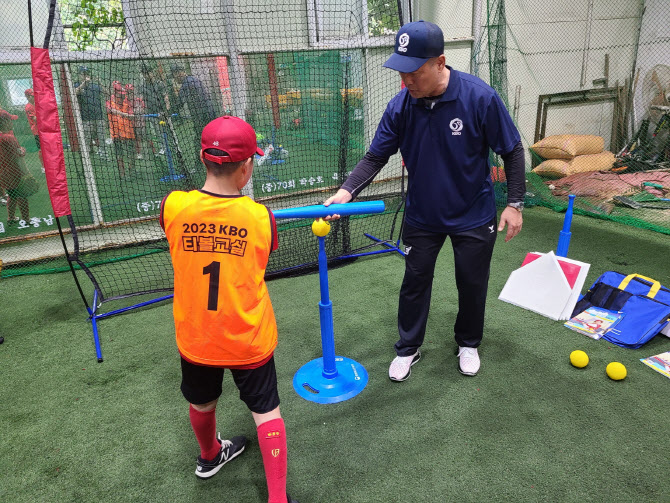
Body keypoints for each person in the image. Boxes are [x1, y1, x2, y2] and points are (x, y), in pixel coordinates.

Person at [324, 20, 525, 380]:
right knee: (415, 282)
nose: (407, 81)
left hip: (473, 214)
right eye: (401, 72)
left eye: (414, 72)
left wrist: (515, 203)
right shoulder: (401, 106)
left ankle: (468, 343)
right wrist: (346, 191)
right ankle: (408, 348)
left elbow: (511, 150)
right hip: (423, 215)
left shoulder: (480, 97)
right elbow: (375, 157)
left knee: (472, 282)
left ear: (440, 62)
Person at [160, 116, 298, 503]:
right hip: (246, 336)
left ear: (204, 159)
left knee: (201, 401)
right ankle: (277, 499)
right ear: (246, 166)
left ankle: (209, 456)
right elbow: (261, 253)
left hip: (197, 336)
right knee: (266, 412)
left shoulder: (173, 206)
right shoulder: (260, 218)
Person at [170, 64, 217, 172]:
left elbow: (180, 103)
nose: (175, 79)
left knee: (200, 141)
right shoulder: (194, 79)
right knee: (210, 139)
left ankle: (200, 166)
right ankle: (210, 163)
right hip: (209, 114)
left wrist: (169, 112)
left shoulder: (187, 83)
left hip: (202, 116)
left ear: (179, 73)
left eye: (174, 75)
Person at [0, 109, 30, 224]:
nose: (12, 123)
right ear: (3, 122)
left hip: (4, 173)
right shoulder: (9, 138)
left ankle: (11, 217)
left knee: (12, 195)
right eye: (9, 121)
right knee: (22, 196)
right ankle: (26, 219)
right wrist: (23, 150)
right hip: (15, 172)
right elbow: (19, 155)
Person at [74, 66, 108, 158]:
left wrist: (100, 82)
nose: (85, 76)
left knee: (101, 136)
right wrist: (84, 84)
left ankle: (103, 152)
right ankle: (87, 153)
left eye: (87, 74)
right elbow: (74, 93)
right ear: (79, 75)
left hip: (98, 116)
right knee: (87, 137)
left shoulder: (95, 86)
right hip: (86, 117)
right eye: (83, 74)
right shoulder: (77, 85)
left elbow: (107, 93)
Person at [106, 81, 135, 178]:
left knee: (131, 153)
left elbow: (131, 116)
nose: (122, 97)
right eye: (120, 94)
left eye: (123, 94)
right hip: (116, 133)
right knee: (119, 155)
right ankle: (122, 174)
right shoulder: (110, 102)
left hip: (128, 132)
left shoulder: (127, 101)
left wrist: (119, 113)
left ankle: (131, 171)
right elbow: (108, 110)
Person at [139, 65, 170, 155]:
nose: (147, 75)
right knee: (158, 131)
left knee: (168, 129)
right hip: (152, 113)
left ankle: (176, 147)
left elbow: (166, 96)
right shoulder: (143, 86)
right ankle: (162, 147)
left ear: (152, 73)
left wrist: (167, 109)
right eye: (145, 74)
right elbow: (141, 99)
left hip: (163, 112)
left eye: (148, 73)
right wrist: (142, 109)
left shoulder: (159, 83)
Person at [123, 84, 148, 160]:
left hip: (141, 123)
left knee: (145, 138)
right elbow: (127, 112)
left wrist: (138, 111)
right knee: (134, 140)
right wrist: (134, 112)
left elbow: (143, 109)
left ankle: (150, 152)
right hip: (131, 124)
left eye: (131, 92)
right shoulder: (125, 101)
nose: (130, 94)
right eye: (128, 92)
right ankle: (136, 153)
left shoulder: (138, 100)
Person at [23, 88, 44, 172]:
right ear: (27, 97)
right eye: (32, 96)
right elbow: (35, 119)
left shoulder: (37, 104)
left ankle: (48, 163)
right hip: (37, 131)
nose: (34, 97)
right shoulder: (28, 107)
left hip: (43, 129)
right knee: (41, 149)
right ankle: (43, 167)